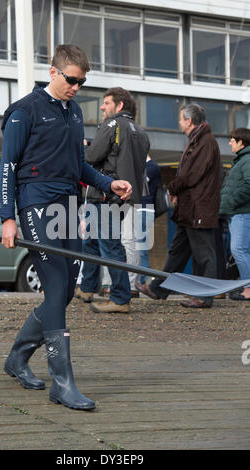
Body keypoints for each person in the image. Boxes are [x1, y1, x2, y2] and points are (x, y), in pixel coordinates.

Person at [0, 44, 132, 411]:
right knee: (56, 288)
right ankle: (63, 383)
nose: (76, 87)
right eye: (71, 80)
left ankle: (16, 359)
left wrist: (108, 184)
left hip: (69, 207)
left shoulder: (73, 113)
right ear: (53, 72)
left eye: (82, 82)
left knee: (66, 292)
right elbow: (7, 166)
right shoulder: (24, 111)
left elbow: (79, 166)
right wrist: (7, 217)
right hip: (35, 205)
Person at [76, 87, 150, 313]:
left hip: (105, 195)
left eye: (106, 103)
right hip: (124, 196)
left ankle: (120, 298)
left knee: (110, 246)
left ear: (119, 106)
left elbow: (91, 157)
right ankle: (88, 287)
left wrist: (84, 146)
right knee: (91, 241)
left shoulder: (112, 125)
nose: (102, 107)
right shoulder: (141, 132)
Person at [144, 103, 221, 308]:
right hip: (189, 209)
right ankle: (158, 288)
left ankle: (204, 297)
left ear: (189, 120)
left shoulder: (205, 142)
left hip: (198, 208)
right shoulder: (199, 141)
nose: (178, 123)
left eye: (180, 119)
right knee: (178, 252)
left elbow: (192, 175)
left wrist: (173, 188)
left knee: (204, 255)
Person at [220, 128, 250, 300]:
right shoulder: (241, 160)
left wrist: (231, 201)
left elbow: (248, 185)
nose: (229, 142)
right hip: (237, 212)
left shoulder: (247, 160)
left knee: (239, 250)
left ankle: (248, 290)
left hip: (242, 212)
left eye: (232, 139)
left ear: (241, 142)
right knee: (242, 250)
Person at [134, 154, 160, 295]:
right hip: (140, 210)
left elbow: (140, 184)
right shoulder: (145, 167)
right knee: (138, 246)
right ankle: (140, 280)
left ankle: (142, 281)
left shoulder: (152, 167)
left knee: (141, 246)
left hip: (144, 210)